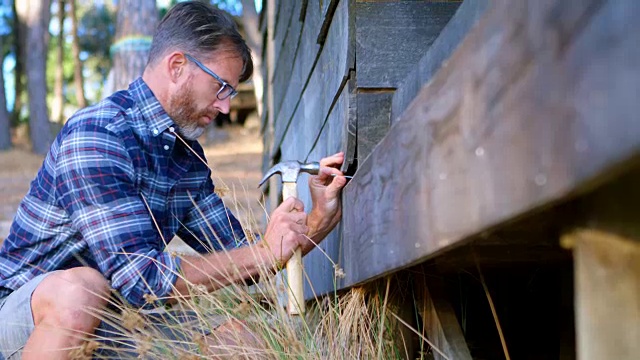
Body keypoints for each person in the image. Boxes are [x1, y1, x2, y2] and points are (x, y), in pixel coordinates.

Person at [0, 2, 348, 359]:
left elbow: (243, 258)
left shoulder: (184, 155)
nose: (226, 107)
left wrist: (317, 220)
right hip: (25, 321)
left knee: (242, 341)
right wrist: (261, 253)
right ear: (178, 66)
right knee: (79, 291)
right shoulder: (98, 134)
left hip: (116, 319)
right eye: (221, 87)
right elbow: (142, 279)